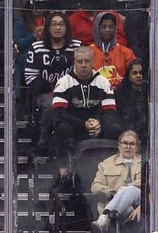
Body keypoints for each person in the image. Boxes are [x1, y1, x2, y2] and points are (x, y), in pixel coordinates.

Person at [51, 46, 122, 176]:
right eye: (79, 61)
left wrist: (99, 123)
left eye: (87, 61)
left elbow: (111, 112)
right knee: (61, 128)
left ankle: (112, 170)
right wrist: (83, 124)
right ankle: (64, 172)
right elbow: (58, 114)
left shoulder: (103, 82)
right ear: (74, 63)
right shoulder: (64, 82)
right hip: (75, 129)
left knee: (115, 128)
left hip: (98, 128)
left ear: (93, 62)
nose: (83, 65)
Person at [24, 12, 82, 152]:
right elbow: (30, 76)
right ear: (48, 28)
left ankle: (77, 142)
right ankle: (43, 142)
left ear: (66, 27)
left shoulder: (76, 46)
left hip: (71, 91)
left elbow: (84, 71)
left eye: (61, 24)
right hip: (44, 92)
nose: (58, 27)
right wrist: (50, 89)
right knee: (52, 104)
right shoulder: (37, 47)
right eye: (54, 24)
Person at [90, 130, 143, 233]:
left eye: (132, 144)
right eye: (125, 143)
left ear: (137, 147)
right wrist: (111, 191)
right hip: (113, 204)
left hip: (138, 204)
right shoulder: (106, 164)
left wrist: (125, 188)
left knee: (131, 190)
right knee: (123, 209)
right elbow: (95, 187)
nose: (128, 146)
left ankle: (105, 218)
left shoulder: (146, 162)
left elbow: (150, 183)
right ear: (119, 145)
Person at [88, 12, 135, 91]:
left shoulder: (127, 53)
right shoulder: (87, 53)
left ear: (116, 28)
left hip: (121, 97)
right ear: (97, 28)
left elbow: (134, 78)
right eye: (103, 27)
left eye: (111, 27)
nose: (107, 30)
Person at [114, 58, 148, 139]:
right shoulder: (122, 91)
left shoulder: (150, 88)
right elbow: (122, 116)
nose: (138, 76)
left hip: (149, 130)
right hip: (128, 130)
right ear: (128, 76)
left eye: (140, 73)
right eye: (134, 73)